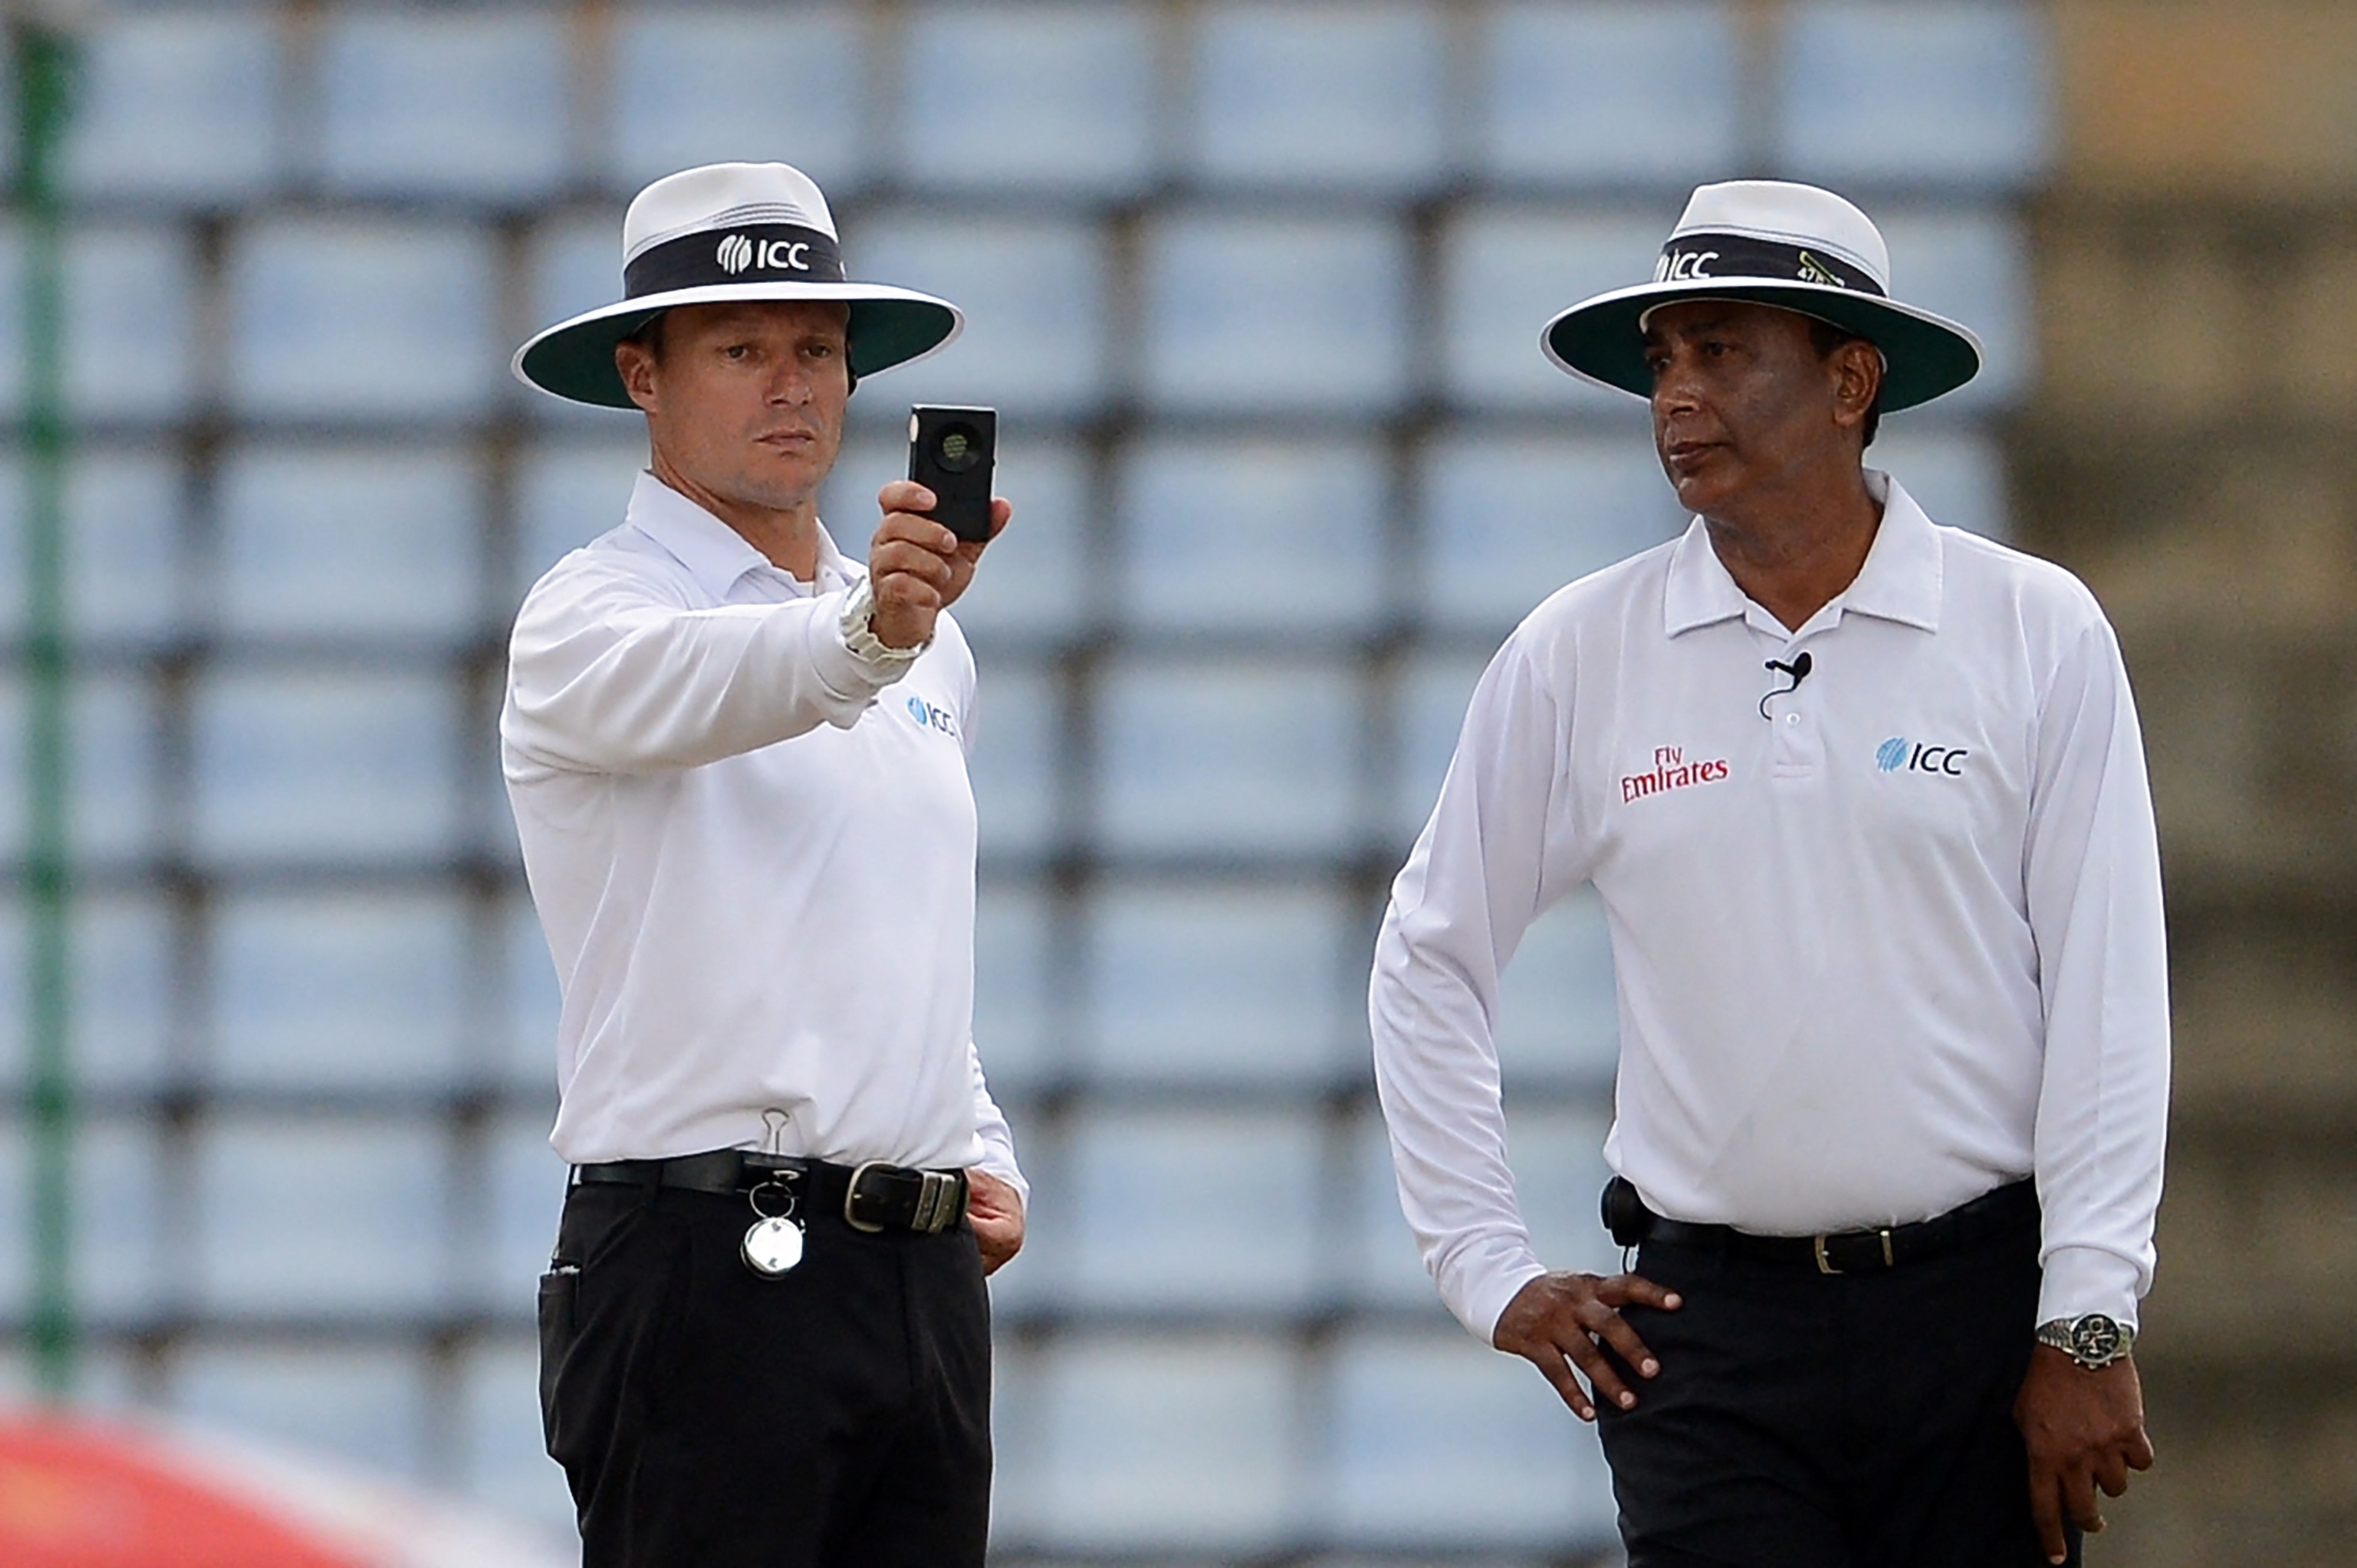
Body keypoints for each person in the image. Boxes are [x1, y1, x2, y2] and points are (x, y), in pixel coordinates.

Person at [1368, 181, 2167, 1567]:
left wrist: (2083, 1320)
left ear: (1849, 379)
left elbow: (2107, 990)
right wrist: (1486, 1271)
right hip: (1703, 1338)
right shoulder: (1577, 650)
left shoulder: (2031, 629)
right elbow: (1427, 954)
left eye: (1720, 350)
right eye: (1660, 360)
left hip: (1971, 1318)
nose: (1675, 395)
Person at [503, 161, 1026, 1568]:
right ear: (643, 376)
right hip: (702, 1262)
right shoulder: (584, 620)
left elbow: (892, 916)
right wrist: (872, 631)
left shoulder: (924, 645)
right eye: (738, 350)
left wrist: (966, 1138)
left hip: (913, 1277)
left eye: (814, 351)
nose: (789, 386)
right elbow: (733, 677)